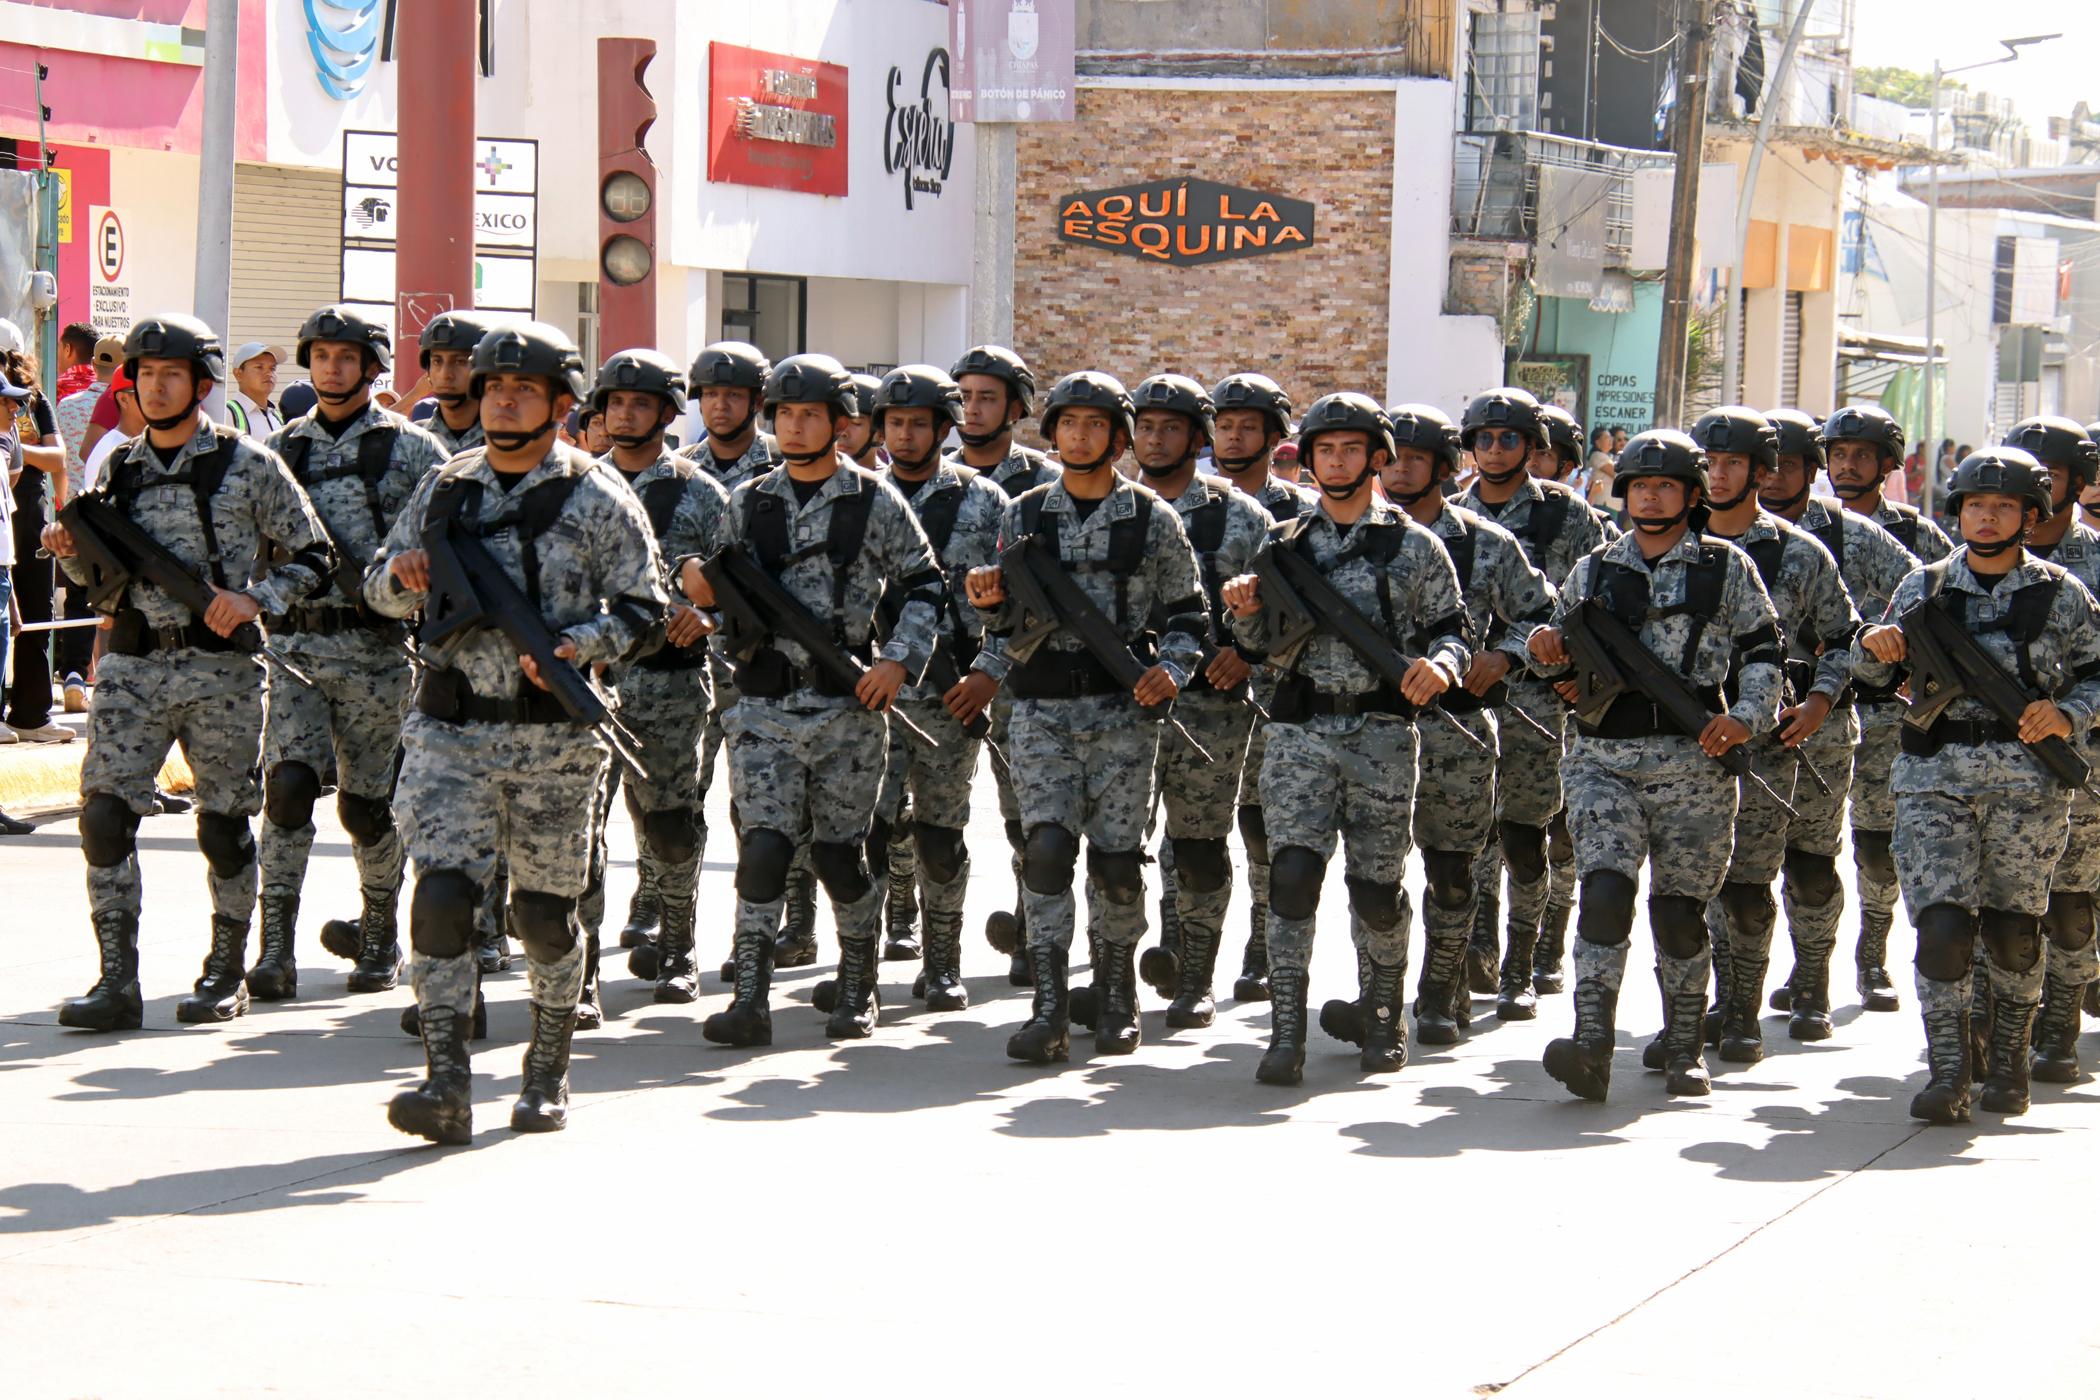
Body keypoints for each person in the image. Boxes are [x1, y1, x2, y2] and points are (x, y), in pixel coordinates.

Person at [367, 321, 667, 1142]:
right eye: (494, 385)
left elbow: (647, 607)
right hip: (449, 731)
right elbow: (378, 586)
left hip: (555, 743)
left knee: (542, 916)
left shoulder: (598, 496)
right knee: (440, 899)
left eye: (523, 387)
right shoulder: (446, 487)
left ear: (564, 404)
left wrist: (582, 646)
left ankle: (546, 1071)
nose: (502, 397)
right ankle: (445, 1080)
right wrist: (400, 577)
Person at [44, 314, 334, 1032]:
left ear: (202, 385)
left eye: (172, 373)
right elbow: (99, 581)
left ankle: (223, 971)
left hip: (220, 672)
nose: (157, 385)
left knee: (222, 825)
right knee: (105, 816)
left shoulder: (249, 463)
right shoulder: (120, 466)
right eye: (145, 375)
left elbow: (314, 557)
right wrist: (66, 548)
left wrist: (254, 599)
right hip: (133, 667)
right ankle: (117, 980)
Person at [674, 353, 941, 1046]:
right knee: (763, 848)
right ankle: (751, 999)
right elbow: (721, 592)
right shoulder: (748, 501)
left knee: (837, 857)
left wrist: (897, 661)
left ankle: (859, 985)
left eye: (810, 415)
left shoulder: (874, 501)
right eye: (784, 415)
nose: (794, 427)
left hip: (848, 709)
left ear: (842, 426)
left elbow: (924, 585)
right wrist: (698, 594)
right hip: (763, 709)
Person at [1218, 393, 1469, 1083]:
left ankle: (1384, 1017)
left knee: (1375, 888)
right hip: (1299, 732)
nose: (1336, 460)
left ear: (1377, 458)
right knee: (1292, 877)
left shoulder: (1416, 546)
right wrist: (1241, 612)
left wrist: (1440, 666)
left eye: (1351, 449)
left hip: (1383, 734)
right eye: (1325, 449)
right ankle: (1286, 1031)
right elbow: (1260, 647)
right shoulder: (1284, 545)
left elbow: (1454, 631)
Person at [1527, 428, 1784, 1101]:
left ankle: (1683, 1045)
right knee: (1606, 895)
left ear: (1692, 496)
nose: (1651, 495)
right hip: (1602, 759)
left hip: (1694, 759)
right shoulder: (1596, 568)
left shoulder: (1727, 569)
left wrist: (1746, 718)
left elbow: (1764, 655)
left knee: (1678, 914)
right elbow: (1556, 654)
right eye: (1640, 484)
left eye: (1666, 485)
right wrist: (1544, 646)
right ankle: (1591, 1045)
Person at [1853, 447, 2100, 1122]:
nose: (1986, 518)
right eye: (1974, 505)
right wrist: (1875, 650)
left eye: (2003, 507)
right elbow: (1871, 674)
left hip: (2028, 785)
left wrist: (2069, 711)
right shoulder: (1924, 587)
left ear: (2030, 514)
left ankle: (2011, 1059)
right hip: (1934, 779)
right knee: (1941, 929)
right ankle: (1950, 1071)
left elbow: (2095, 672)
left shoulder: (2060, 592)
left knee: (2014, 931)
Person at [965, 370, 1204, 1063]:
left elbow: (1190, 614)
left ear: (1119, 437)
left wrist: (1175, 668)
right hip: (1040, 710)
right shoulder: (1026, 514)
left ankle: (1116, 994)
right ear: (1053, 432)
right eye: (1069, 423)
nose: (1079, 436)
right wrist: (986, 603)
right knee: (1044, 852)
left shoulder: (1153, 520)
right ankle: (1047, 1008)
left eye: (1095, 425)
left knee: (1117, 864)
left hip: (1123, 713)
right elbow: (1008, 619)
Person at [255, 306, 449, 1003]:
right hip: (298, 644)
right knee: (287, 792)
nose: (331, 370)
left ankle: (378, 933)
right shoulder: (279, 448)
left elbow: (443, 538)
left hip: (376, 649)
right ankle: (273, 947)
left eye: (346, 358)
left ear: (371, 367)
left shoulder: (415, 449)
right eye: (321, 358)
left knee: (369, 808)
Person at [1370, 402, 1557, 1040]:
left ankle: (1440, 989)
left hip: (1461, 728)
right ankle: (1380, 993)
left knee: (1453, 872)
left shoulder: (1485, 541)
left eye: (1416, 459)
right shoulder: (1347, 537)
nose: (1399, 471)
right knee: (1376, 872)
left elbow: (1544, 615)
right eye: (1391, 458)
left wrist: (1505, 655)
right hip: (1371, 729)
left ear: (1445, 468)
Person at [1683, 407, 1859, 1061]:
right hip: (1686, 745)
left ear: (1762, 471)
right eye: (1709, 463)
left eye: (1733, 464)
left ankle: (1749, 1010)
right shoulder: (1670, 547)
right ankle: (1706, 1005)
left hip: (1770, 744)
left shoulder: (1799, 552)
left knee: (1756, 883)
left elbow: (1847, 638)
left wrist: (1817, 702)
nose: (1719, 476)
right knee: (1691, 884)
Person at [1114, 374, 1273, 1030]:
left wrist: (1252, 653)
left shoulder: (1239, 514)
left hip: (1210, 705)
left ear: (1197, 438)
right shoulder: (1107, 504)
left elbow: (1283, 605)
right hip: (1118, 705)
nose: (1155, 440)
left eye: (1171, 428)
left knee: (1199, 844)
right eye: (1145, 427)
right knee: (1115, 846)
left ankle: (1195, 976)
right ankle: (1114, 976)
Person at [1758, 407, 1922, 1016]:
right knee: (1735, 866)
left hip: (1852, 716)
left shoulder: (1851, 534)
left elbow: (1924, 596)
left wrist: (1881, 649)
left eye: (1790, 466)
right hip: (1740, 724)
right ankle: (1735, 989)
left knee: (1833, 856)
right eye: (1765, 466)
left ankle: (1829, 971)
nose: (1773, 479)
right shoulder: (1717, 534)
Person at [585, 349, 728, 1005]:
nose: (624, 413)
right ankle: (577, 963)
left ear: (669, 413)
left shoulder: (702, 494)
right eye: (614, 402)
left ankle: (677, 949)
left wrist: (707, 617)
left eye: (639, 403)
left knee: (671, 825)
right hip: (590, 683)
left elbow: (735, 591)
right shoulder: (577, 485)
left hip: (670, 685)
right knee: (580, 826)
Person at [1453, 388, 1606, 1001]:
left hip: (1541, 700)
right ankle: (1480, 949)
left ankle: (1527, 954)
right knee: (1474, 832)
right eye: (1483, 440)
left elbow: (1599, 600)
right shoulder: (1451, 516)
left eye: (1508, 439)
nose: (1494, 450)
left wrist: (1578, 670)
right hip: (1469, 697)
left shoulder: (1567, 515)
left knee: (1526, 834)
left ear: (1533, 447)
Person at [864, 364, 1007, 1009]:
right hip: (873, 693)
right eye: (894, 422)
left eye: (918, 423)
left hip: (953, 694)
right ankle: (859, 964)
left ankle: (942, 963)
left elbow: (1021, 606)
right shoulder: (858, 496)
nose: (904, 434)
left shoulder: (986, 501)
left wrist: (988, 673)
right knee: (869, 828)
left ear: (945, 428)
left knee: (940, 835)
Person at [675, 341, 798, 978]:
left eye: (735, 395)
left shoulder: (786, 466)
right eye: (711, 394)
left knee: (763, 808)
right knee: (680, 799)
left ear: (757, 402)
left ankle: (780, 927)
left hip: (765, 663)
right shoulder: (681, 471)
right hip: (691, 661)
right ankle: (672, 925)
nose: (721, 405)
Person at [945, 345, 1058, 985]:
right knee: (930, 814)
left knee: (1027, 811)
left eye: (988, 397)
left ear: (1016, 406)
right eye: (965, 397)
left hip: (1020, 671)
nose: (974, 409)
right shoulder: (941, 478)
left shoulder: (1042, 483)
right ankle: (927, 940)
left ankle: (1031, 924)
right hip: (942, 668)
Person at [1995, 417, 2100, 1081]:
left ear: (2077, 485)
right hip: (1992, 760)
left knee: (2070, 895)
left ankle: (2059, 1022)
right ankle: (1998, 1024)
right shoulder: (1976, 555)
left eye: (2050, 477)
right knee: (2000, 901)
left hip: (2082, 757)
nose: (2030, 487)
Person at [1207, 371, 1312, 1000]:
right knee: (1198, 825)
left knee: (1263, 822)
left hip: (1277, 692)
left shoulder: (1296, 515)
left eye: (1249, 426)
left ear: (1275, 437)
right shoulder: (1188, 505)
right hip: (1201, 690)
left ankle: (1264, 939)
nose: (1235, 436)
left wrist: (1252, 656)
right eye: (1225, 424)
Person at [6, 338, 71, 745]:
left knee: (36, 608)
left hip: (30, 508)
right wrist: (34, 453)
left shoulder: (34, 399)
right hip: (5, 504)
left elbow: (58, 457)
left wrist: (16, 449)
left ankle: (31, 713)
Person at [414, 311, 496, 456]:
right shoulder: (409, 442)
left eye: (460, 361)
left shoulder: (507, 443)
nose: (445, 374)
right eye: (437, 361)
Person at [225, 343, 288, 439]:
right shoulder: (227, 414)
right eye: (259, 367)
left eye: (272, 368)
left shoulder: (276, 418)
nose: (269, 374)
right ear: (238, 374)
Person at [836, 372, 883, 469]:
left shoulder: (888, 483)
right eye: (837, 421)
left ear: (881, 434)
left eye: (856, 423)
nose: (843, 432)